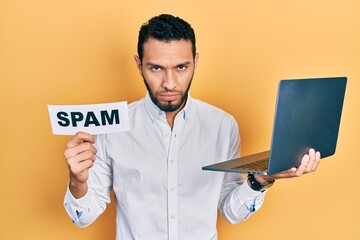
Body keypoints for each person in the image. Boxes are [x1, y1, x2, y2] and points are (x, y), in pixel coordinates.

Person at [63, 14, 321, 240]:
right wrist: (77, 181)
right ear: (139, 65)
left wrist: (261, 180)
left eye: (181, 67)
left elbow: (231, 211)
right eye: (156, 68)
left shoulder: (222, 125)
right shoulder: (111, 127)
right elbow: (83, 216)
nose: (169, 83)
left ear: (195, 62)